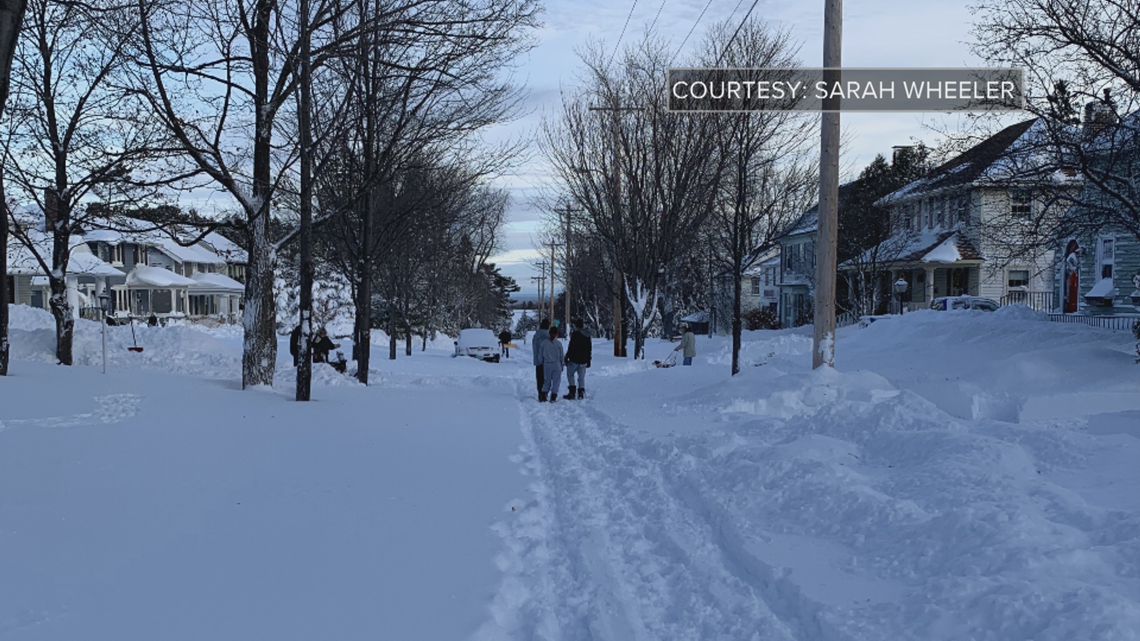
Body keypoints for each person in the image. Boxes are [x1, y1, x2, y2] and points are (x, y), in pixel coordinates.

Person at [564, 319, 591, 400]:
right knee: (581, 377)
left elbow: (571, 347)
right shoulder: (587, 335)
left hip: (574, 359)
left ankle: (572, 392)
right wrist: (588, 360)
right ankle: (581, 393)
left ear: (576, 326)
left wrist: (567, 356)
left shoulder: (575, 334)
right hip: (583, 360)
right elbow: (589, 349)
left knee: (570, 375)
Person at [540, 324, 565, 403]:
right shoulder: (558, 344)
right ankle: (553, 396)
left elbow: (540, 354)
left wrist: (540, 362)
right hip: (556, 364)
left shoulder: (544, 343)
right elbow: (561, 355)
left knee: (547, 380)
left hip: (547, 364)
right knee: (556, 381)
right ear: (556, 334)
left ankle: (544, 394)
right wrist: (562, 364)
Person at [531, 319, 550, 401]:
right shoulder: (548, 337)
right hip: (546, 361)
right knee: (546, 378)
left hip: (538, 361)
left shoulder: (536, 336)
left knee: (539, 378)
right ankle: (545, 394)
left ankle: (540, 393)